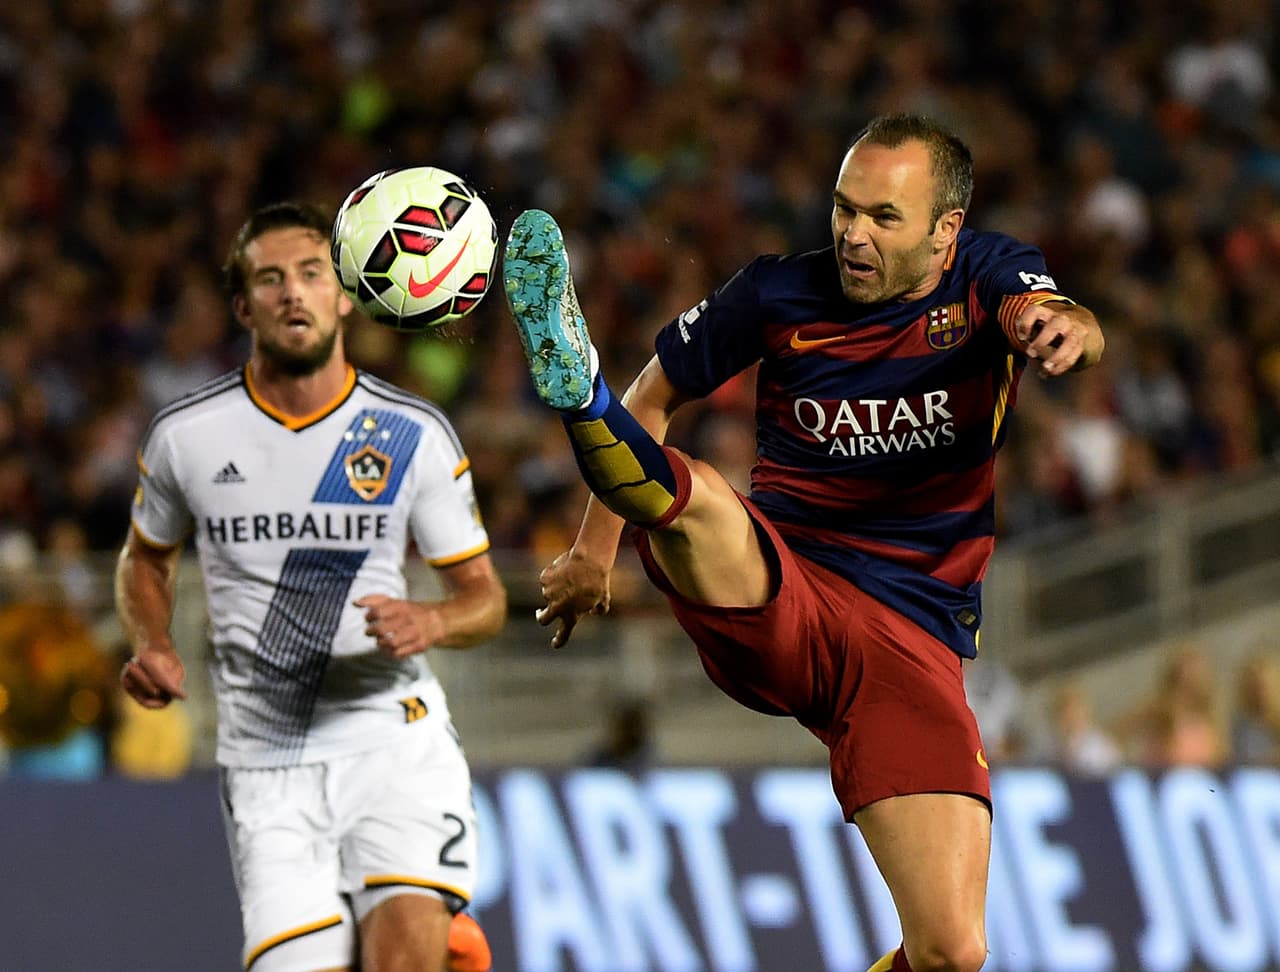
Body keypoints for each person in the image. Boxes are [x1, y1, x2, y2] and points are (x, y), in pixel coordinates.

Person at [503, 113, 1105, 972]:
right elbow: (654, 397)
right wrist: (596, 551)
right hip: (784, 584)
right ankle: (576, 392)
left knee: (952, 951)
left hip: (914, 634)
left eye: (882, 218)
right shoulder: (776, 293)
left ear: (945, 232)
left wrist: (1072, 330)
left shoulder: (984, 275)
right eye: (843, 209)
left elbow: (1051, 311)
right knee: (703, 496)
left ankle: (583, 402)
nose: (853, 235)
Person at [114, 202, 505, 972]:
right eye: (269, 279)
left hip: (393, 742)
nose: (292, 292)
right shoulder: (187, 437)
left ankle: (428, 932)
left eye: (311, 274)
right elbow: (143, 560)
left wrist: (431, 622)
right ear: (243, 307)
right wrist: (152, 641)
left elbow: (486, 599)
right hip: (266, 765)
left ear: (346, 294)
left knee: (403, 956)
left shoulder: (411, 433)